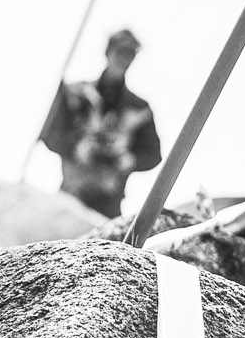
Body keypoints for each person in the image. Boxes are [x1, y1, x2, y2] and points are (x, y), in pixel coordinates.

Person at [38, 29, 161, 217]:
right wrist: (76, 149)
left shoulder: (140, 108)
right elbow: (49, 134)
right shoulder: (74, 93)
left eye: (130, 54)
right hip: (70, 196)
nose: (124, 58)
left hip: (109, 203)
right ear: (109, 51)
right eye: (121, 51)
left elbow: (153, 155)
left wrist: (130, 160)